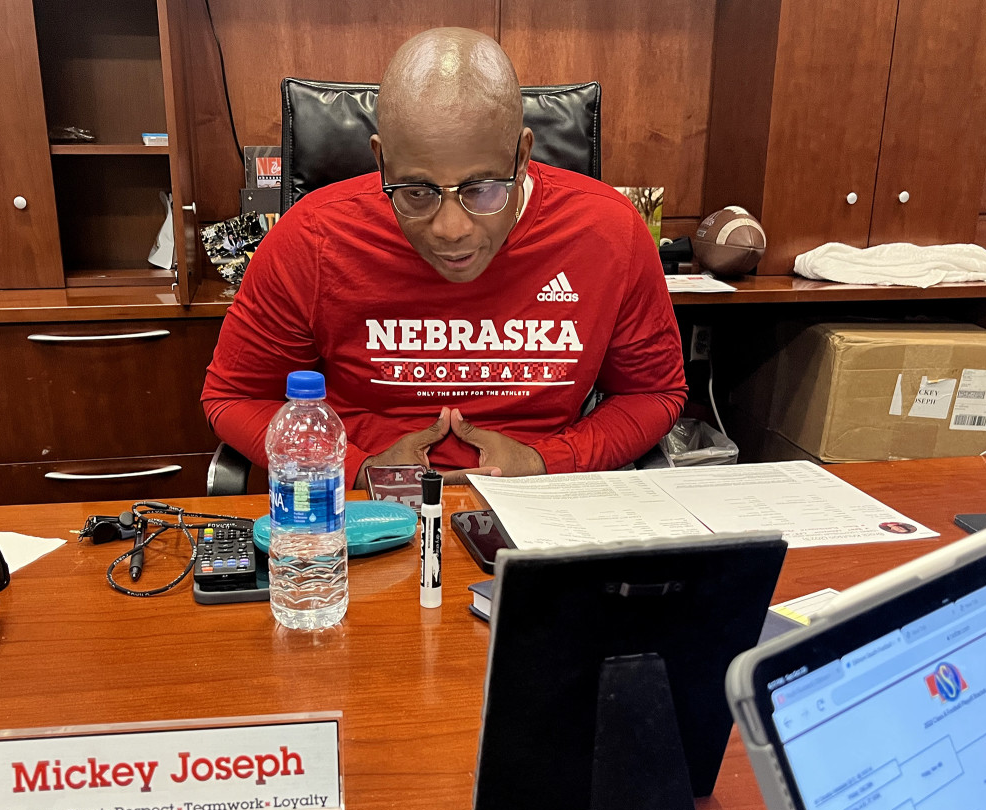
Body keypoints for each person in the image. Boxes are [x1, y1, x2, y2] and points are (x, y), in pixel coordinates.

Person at [202, 27, 687, 488]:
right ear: (381, 161)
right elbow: (236, 396)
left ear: (521, 157)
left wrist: (549, 460)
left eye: (482, 189)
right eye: (416, 191)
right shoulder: (314, 237)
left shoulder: (609, 230)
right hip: (368, 508)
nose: (450, 230)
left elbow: (653, 392)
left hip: (539, 499)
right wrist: (358, 468)